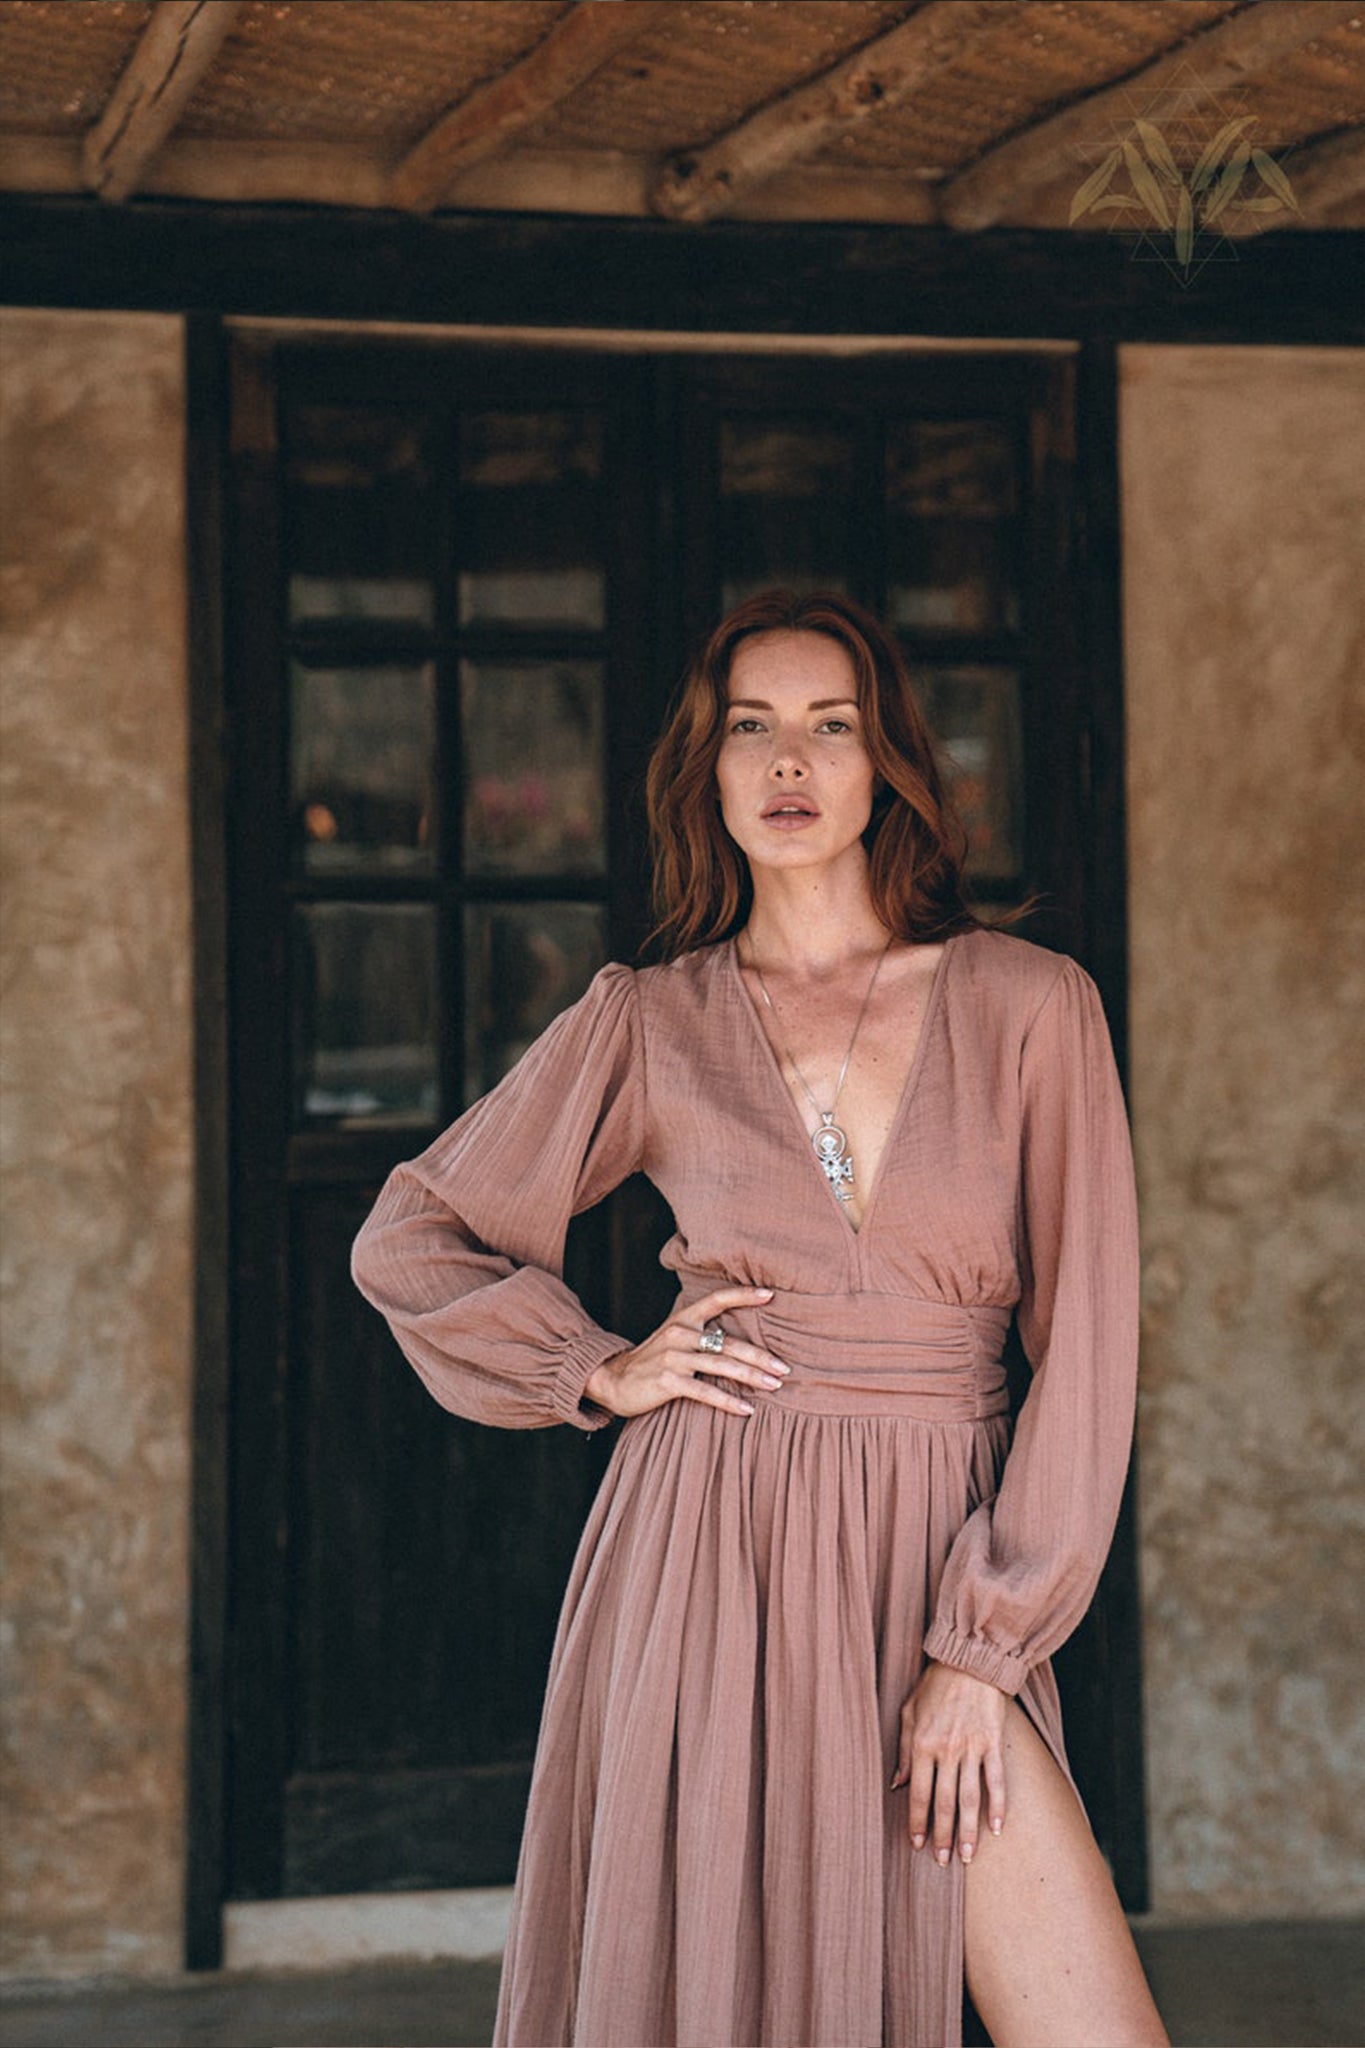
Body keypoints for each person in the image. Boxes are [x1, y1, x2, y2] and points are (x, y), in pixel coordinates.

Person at [351, 589, 1169, 2048]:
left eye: (828, 727)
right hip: (705, 1553)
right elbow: (416, 1234)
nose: (788, 762)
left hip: (941, 1561)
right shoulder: (649, 1018)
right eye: (751, 729)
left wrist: (979, 1654)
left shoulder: (1031, 1006)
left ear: (885, 767)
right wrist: (594, 1370)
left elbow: (1089, 1348)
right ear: (707, 772)